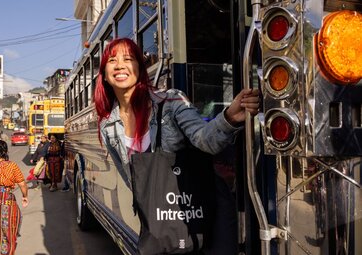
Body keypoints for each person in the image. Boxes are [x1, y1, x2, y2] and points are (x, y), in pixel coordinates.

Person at [93, 38, 259, 253]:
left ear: (140, 69)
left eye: (128, 58)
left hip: (203, 210)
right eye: (112, 60)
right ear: (104, 74)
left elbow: (204, 139)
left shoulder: (171, 102)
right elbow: (134, 182)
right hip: (160, 219)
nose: (120, 65)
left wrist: (229, 118)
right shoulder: (108, 125)